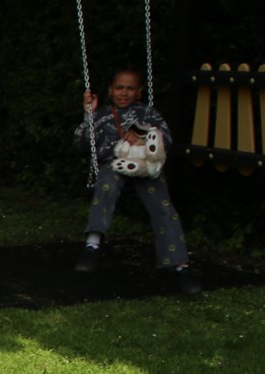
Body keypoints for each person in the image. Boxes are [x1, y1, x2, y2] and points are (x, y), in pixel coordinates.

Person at [73, 69, 201, 295]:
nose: (124, 93)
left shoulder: (148, 114)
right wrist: (88, 114)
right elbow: (80, 142)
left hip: (143, 166)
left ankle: (181, 266)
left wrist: (144, 135)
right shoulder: (101, 115)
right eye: (119, 88)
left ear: (139, 92)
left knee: (163, 206)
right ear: (110, 91)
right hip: (114, 165)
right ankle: (92, 244)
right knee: (106, 186)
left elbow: (167, 139)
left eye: (130, 88)